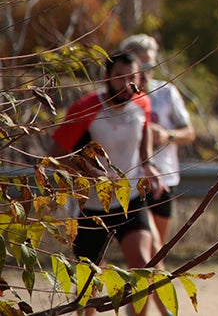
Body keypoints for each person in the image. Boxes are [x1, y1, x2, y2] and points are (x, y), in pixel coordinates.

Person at [50, 51, 164, 316]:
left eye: (132, 78)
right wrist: (91, 173)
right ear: (106, 78)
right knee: (88, 287)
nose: (127, 85)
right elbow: (55, 155)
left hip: (130, 202)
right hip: (91, 209)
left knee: (143, 267)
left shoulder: (142, 104)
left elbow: (144, 134)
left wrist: (149, 164)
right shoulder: (86, 108)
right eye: (119, 78)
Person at [119, 33, 196, 246]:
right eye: (140, 66)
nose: (146, 73)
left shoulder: (166, 93)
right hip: (131, 180)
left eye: (151, 65)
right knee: (147, 245)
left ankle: (151, 279)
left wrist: (166, 135)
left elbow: (189, 133)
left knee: (157, 251)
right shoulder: (118, 98)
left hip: (164, 178)